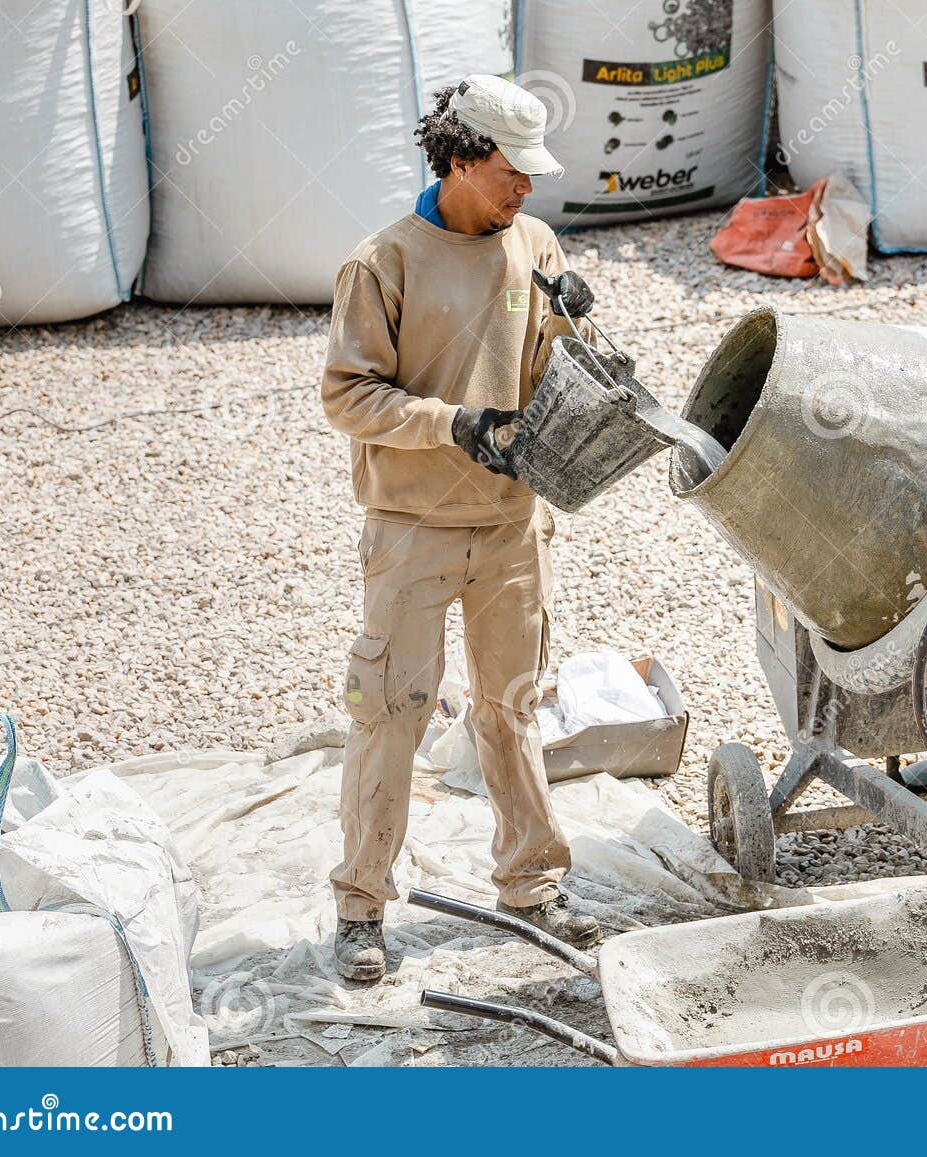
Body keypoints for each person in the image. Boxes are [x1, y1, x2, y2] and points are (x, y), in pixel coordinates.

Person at [321, 75, 600, 982]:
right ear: (462, 159)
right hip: (412, 527)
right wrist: (454, 423)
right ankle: (362, 905)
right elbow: (348, 396)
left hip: (514, 524)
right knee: (389, 714)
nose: (528, 189)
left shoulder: (535, 243)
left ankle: (532, 884)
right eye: (513, 172)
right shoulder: (382, 263)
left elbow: (549, 362)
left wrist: (571, 323)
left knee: (512, 708)